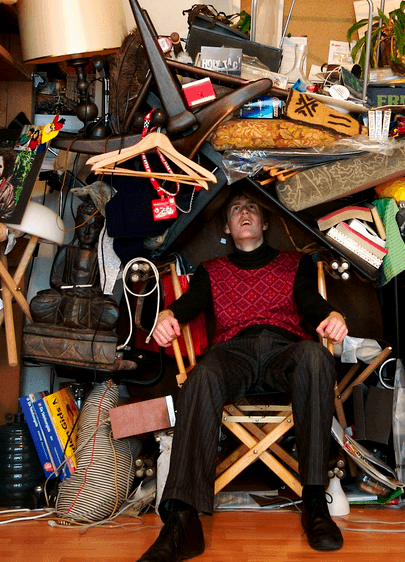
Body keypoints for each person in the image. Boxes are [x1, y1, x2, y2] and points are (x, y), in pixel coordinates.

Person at [137, 191, 348, 562]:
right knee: (201, 376)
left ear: (264, 223)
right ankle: (182, 520)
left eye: (252, 207)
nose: (244, 213)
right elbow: (187, 306)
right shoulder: (212, 270)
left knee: (316, 356)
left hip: (285, 350)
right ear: (227, 227)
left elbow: (311, 302)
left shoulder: (294, 263)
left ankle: (315, 501)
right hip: (233, 353)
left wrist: (333, 315)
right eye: (236, 209)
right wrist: (168, 316)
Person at [29, 201, 118, 330]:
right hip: (64, 295)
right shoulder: (66, 250)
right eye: (83, 225)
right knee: (38, 303)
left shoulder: (101, 256)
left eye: (93, 227)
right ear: (76, 226)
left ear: (100, 230)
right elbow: (55, 280)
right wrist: (68, 289)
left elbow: (103, 287)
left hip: (89, 299)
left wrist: (89, 292)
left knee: (111, 311)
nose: (87, 232)